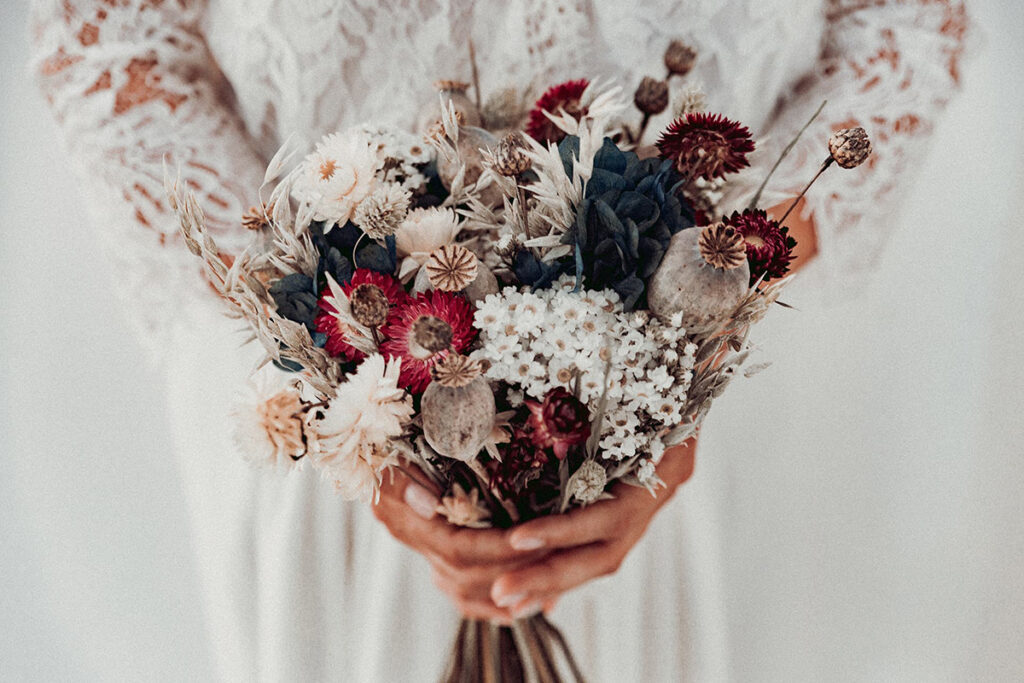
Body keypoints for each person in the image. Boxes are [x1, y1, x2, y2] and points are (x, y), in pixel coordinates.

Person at [30, 1, 968, 680]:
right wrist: (336, 355)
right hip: (330, 430)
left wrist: (688, 332)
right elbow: (109, 43)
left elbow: (906, 31)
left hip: (701, 423)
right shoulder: (334, 388)